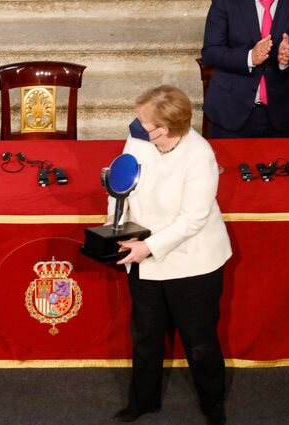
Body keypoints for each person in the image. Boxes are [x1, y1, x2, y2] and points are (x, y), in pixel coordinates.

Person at [107, 86, 232, 425]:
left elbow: (193, 219)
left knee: (199, 342)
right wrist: (115, 228)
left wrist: (147, 247)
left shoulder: (199, 155)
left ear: (165, 129)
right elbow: (120, 187)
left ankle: (212, 402)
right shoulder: (138, 139)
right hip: (142, 259)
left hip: (193, 264)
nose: (137, 124)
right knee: (146, 337)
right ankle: (142, 402)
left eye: (145, 120)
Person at [201, 0, 289, 138]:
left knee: (279, 159)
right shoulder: (225, 2)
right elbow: (211, 53)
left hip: (283, 111)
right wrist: (250, 57)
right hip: (231, 109)